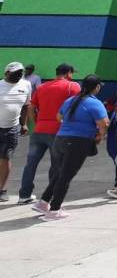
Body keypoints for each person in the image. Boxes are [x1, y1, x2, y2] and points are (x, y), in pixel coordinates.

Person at [33, 74, 108, 220]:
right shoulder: (95, 103)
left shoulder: (70, 100)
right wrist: (100, 135)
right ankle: (54, 210)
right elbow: (103, 124)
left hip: (60, 139)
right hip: (78, 142)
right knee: (66, 176)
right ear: (97, 87)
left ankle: (43, 203)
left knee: (61, 172)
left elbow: (59, 117)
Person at [17, 63, 78, 205]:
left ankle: (24, 195)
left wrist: (37, 122)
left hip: (39, 130)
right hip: (58, 131)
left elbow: (32, 107)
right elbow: (78, 105)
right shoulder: (72, 86)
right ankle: (51, 197)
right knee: (57, 165)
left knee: (30, 164)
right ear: (68, 73)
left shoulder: (42, 87)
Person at [0, 62, 32, 202]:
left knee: (5, 158)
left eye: (21, 73)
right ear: (6, 73)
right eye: (15, 73)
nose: (18, 76)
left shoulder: (26, 85)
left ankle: (2, 190)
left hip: (12, 128)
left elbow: (26, 106)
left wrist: (24, 124)